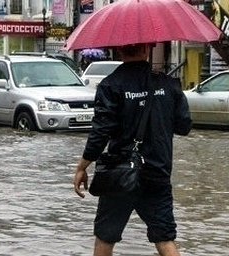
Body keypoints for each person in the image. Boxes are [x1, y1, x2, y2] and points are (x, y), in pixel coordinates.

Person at [73, 43, 192, 256]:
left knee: (105, 238)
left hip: (120, 174)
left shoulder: (111, 86)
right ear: (147, 49)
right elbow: (184, 127)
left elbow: (101, 132)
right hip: (158, 172)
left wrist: (82, 166)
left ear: (119, 51)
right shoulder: (169, 84)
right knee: (165, 239)